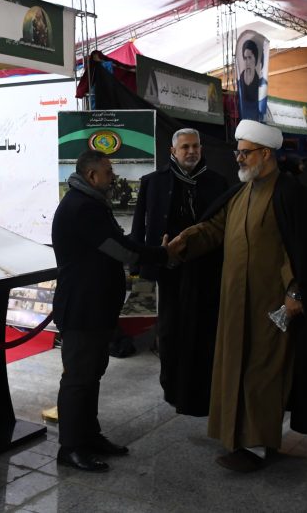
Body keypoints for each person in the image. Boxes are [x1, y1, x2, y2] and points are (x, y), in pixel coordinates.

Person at [168, 120, 307, 472]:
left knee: (262, 374)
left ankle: (256, 447)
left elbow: (299, 250)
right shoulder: (242, 192)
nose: (239, 159)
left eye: (245, 153)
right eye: (238, 153)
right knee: (234, 370)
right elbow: (216, 228)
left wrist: (295, 292)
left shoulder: (287, 193)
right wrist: (186, 240)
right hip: (234, 304)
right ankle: (236, 437)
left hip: (269, 305)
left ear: (266, 154)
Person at [51, 150, 169, 472]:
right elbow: (121, 250)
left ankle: (89, 436)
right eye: (108, 171)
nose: (113, 176)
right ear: (92, 176)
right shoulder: (82, 208)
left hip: (96, 307)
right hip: (82, 309)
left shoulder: (91, 203)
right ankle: (70, 448)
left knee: (92, 375)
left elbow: (117, 241)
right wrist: (162, 253)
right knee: (79, 379)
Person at [130, 128, 229, 415]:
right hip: (169, 269)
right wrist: (139, 263)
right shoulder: (153, 182)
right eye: (185, 147)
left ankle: (202, 389)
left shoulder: (217, 182)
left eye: (195, 146)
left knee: (203, 329)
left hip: (206, 270)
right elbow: (139, 226)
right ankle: (172, 387)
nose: (191, 151)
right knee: (171, 329)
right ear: (173, 151)